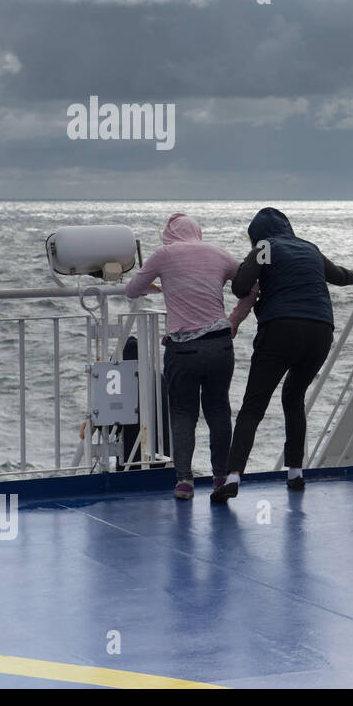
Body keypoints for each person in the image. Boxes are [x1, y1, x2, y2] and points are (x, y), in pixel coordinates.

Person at [210, 207, 353, 502]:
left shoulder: (265, 247)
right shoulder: (309, 248)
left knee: (253, 406)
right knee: (294, 397)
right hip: (321, 331)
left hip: (281, 329)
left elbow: (240, 287)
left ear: (257, 234)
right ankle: (296, 472)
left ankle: (233, 477)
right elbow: (338, 275)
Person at [125, 214, 255, 499]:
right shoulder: (218, 253)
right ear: (197, 232)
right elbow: (252, 287)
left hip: (182, 350)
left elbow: (132, 290)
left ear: (168, 235)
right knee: (219, 411)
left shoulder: (164, 254)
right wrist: (234, 320)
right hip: (220, 345)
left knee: (183, 414)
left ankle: (184, 481)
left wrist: (160, 285)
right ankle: (221, 478)